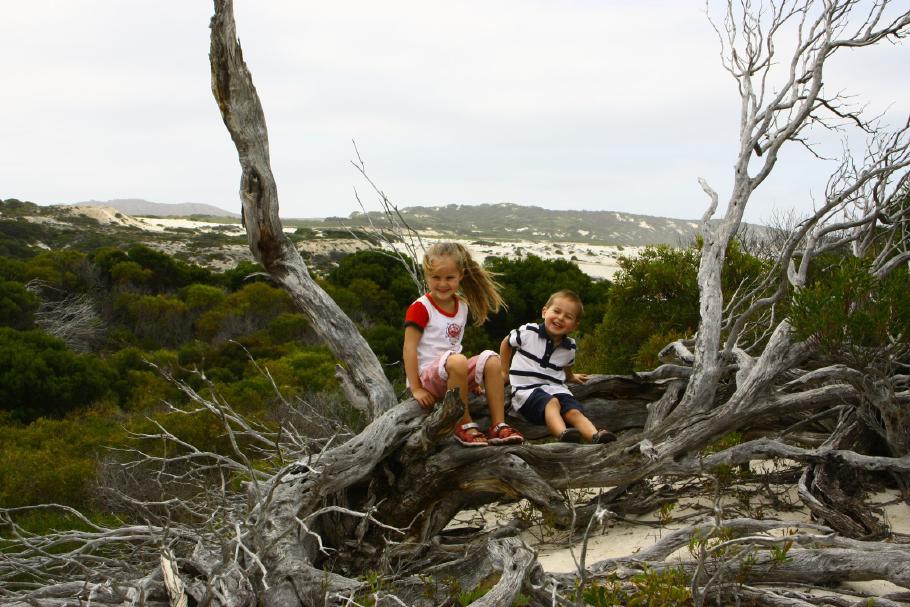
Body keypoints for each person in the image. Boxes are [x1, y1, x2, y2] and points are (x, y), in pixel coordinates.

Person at [403, 242, 524, 447]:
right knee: (458, 360)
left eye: (449, 278)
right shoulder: (421, 308)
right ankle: (463, 423)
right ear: (426, 277)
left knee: (492, 360)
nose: (443, 283)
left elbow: (454, 345)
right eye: (436, 278)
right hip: (427, 378)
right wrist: (416, 388)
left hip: (452, 371)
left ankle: (498, 425)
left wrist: (470, 379)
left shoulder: (462, 307)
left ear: (460, 275)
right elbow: (409, 348)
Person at [500, 289, 616, 444]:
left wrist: (571, 377)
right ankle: (563, 434)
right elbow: (506, 343)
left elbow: (566, 365)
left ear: (575, 325)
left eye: (568, 317)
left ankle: (596, 436)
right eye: (557, 311)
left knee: (574, 411)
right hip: (527, 391)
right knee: (551, 403)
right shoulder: (529, 332)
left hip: (556, 388)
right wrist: (504, 371)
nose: (560, 318)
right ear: (544, 312)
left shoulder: (570, 347)